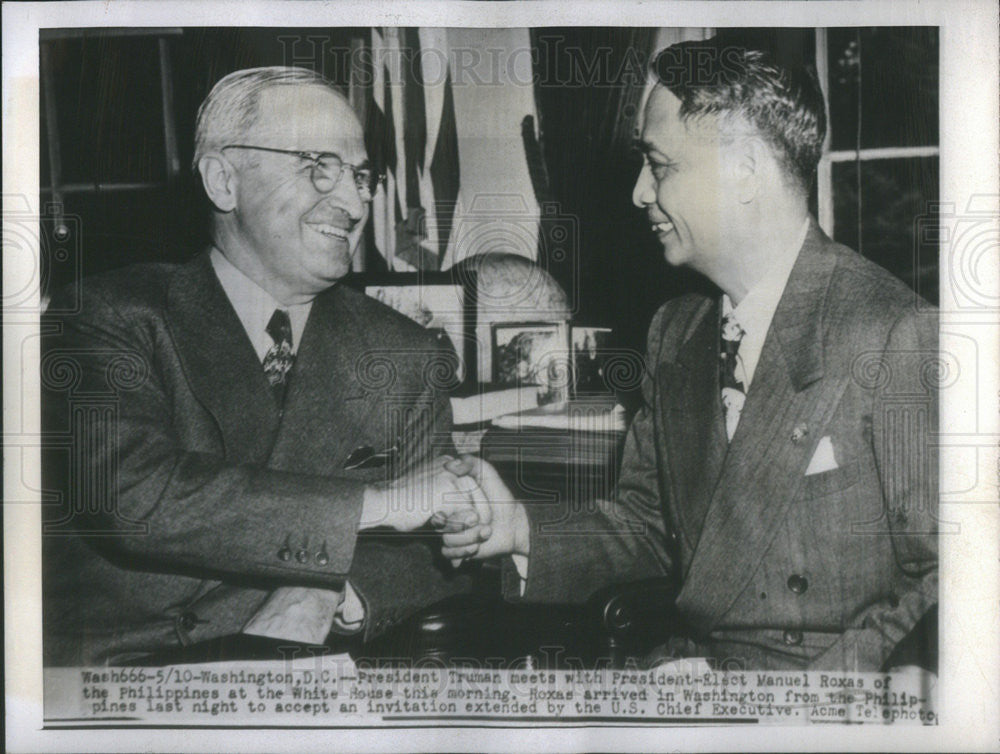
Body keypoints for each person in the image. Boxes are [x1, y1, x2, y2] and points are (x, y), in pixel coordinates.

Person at [442, 37, 939, 672]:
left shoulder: (896, 332)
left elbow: (952, 584)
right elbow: (648, 528)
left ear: (748, 171)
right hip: (685, 681)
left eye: (660, 165)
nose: (638, 193)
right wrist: (515, 530)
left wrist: (779, 704)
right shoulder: (675, 331)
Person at [41, 67, 484, 665]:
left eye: (360, 176)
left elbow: (441, 545)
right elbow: (132, 495)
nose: (353, 203)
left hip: (299, 672)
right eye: (318, 165)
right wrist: (378, 503)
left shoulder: (405, 352)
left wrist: (330, 592)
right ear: (224, 181)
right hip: (112, 678)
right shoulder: (108, 316)